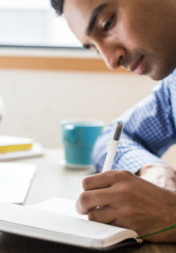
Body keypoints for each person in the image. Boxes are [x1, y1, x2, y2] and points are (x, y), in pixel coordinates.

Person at [51, 0, 176, 242]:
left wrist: (170, 215)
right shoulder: (173, 88)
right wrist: (153, 169)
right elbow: (110, 139)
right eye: (96, 48)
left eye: (108, 23)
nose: (110, 61)